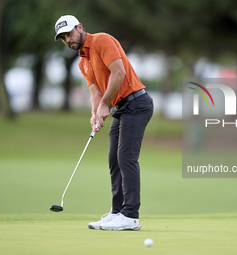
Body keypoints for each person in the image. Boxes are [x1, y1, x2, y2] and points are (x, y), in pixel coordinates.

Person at [54, 15, 153, 231]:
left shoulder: (102, 40)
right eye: (63, 38)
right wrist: (95, 112)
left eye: (69, 33)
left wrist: (105, 105)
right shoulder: (82, 62)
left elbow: (119, 73)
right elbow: (95, 93)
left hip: (137, 104)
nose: (68, 40)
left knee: (126, 158)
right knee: (114, 160)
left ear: (80, 27)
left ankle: (130, 216)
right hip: (121, 108)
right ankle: (117, 212)